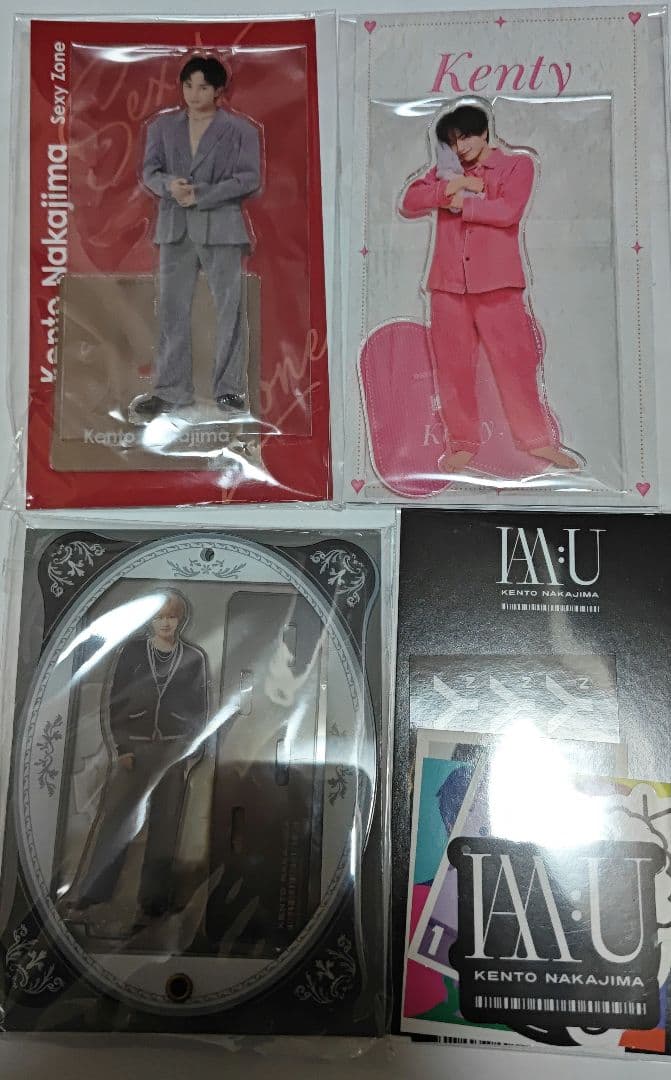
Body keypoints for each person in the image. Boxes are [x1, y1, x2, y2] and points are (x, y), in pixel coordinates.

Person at [401, 103, 578, 474]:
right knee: (452, 370)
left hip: (499, 285)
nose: (461, 147)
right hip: (448, 286)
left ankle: (537, 441)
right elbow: (411, 201)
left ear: (484, 131)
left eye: (465, 137)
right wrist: (457, 185)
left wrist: (462, 204)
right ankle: (462, 444)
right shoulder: (447, 172)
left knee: (515, 364)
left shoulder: (517, 166)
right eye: (453, 142)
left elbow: (507, 212)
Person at [63, 590, 209, 923]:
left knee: (166, 827)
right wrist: (123, 747)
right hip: (136, 749)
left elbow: (198, 708)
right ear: (150, 621)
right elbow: (117, 700)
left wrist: (189, 751)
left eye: (171, 617)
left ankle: (153, 901)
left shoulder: (193, 658)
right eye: (159, 617)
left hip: (173, 751)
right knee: (116, 822)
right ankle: (92, 893)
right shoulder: (131, 653)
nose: (166, 623)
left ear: (180, 619)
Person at [135, 55, 261, 421]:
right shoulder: (162, 127)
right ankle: (170, 391)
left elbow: (249, 178)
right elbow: (149, 171)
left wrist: (202, 194)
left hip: (221, 228)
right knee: (171, 309)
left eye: (203, 87)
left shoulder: (240, 131)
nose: (194, 94)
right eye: (188, 85)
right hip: (175, 228)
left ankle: (229, 390)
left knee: (228, 309)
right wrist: (167, 185)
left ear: (219, 90)